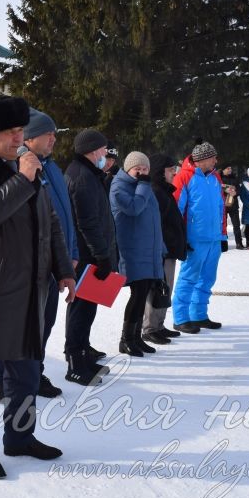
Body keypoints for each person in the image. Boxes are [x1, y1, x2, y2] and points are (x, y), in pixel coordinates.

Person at [0, 96, 74, 480]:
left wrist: (64, 268)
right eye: (11, 133)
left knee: (24, 374)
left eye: (21, 132)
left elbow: (49, 222)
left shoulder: (26, 168)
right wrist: (23, 178)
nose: (19, 139)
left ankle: (20, 437)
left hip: (30, 290)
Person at [0, 108, 78, 401]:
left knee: (46, 323)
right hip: (31, 266)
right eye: (48, 134)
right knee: (21, 328)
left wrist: (70, 255)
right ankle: (6, 381)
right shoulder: (19, 169)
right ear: (28, 139)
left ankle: (34, 372)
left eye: (54, 133)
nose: (54, 138)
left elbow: (63, 216)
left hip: (54, 262)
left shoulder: (51, 167)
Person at [64, 128, 116, 385]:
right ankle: (75, 361)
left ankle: (82, 350)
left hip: (90, 253)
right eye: (104, 149)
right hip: (86, 255)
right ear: (92, 150)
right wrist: (101, 255)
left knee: (86, 306)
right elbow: (87, 222)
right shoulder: (82, 176)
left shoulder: (88, 173)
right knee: (81, 308)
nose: (106, 154)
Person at [111, 151, 165, 356]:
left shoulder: (143, 187)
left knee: (143, 293)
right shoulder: (119, 187)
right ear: (128, 169)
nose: (142, 173)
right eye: (137, 169)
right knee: (138, 293)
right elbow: (134, 208)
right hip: (131, 249)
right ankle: (126, 339)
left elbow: (153, 220)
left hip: (147, 249)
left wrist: (160, 247)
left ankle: (136, 337)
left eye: (145, 170)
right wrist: (143, 184)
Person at [171, 139, 226, 333]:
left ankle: (199, 315)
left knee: (207, 278)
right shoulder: (183, 177)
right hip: (194, 239)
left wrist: (223, 235)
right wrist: (181, 239)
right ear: (202, 159)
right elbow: (177, 211)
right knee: (189, 278)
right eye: (212, 157)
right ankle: (180, 318)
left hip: (213, 238)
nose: (215, 161)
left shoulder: (215, 177)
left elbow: (220, 207)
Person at [142, 153, 186, 344]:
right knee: (157, 289)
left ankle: (159, 325)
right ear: (160, 172)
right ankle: (150, 327)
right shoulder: (156, 191)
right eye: (170, 170)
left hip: (169, 249)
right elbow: (156, 224)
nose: (174, 173)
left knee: (166, 288)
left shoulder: (165, 190)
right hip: (161, 250)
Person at [220, 165, 244, 249]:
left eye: (230, 168)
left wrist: (236, 192)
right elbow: (215, 189)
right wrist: (224, 190)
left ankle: (239, 243)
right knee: (223, 225)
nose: (230, 170)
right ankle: (223, 243)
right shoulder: (218, 178)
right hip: (223, 205)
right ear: (223, 170)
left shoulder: (234, 178)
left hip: (233, 204)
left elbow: (239, 189)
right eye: (227, 168)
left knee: (236, 225)